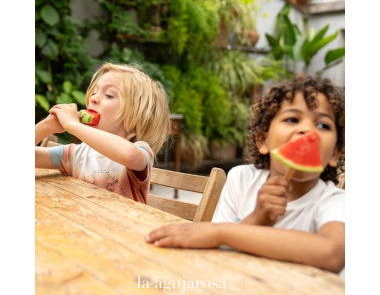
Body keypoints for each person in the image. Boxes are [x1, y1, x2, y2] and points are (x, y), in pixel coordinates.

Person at [145, 75, 345, 274]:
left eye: (323, 125)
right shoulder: (242, 179)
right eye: (293, 119)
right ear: (263, 140)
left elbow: (332, 253)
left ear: (335, 153)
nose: (307, 131)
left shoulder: (334, 201)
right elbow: (221, 253)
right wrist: (258, 218)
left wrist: (221, 233)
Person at [35, 63, 170, 204]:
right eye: (94, 92)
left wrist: (73, 125)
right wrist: (46, 126)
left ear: (136, 114)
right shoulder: (75, 155)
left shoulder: (141, 151)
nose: (93, 99)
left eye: (109, 95)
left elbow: (129, 156)